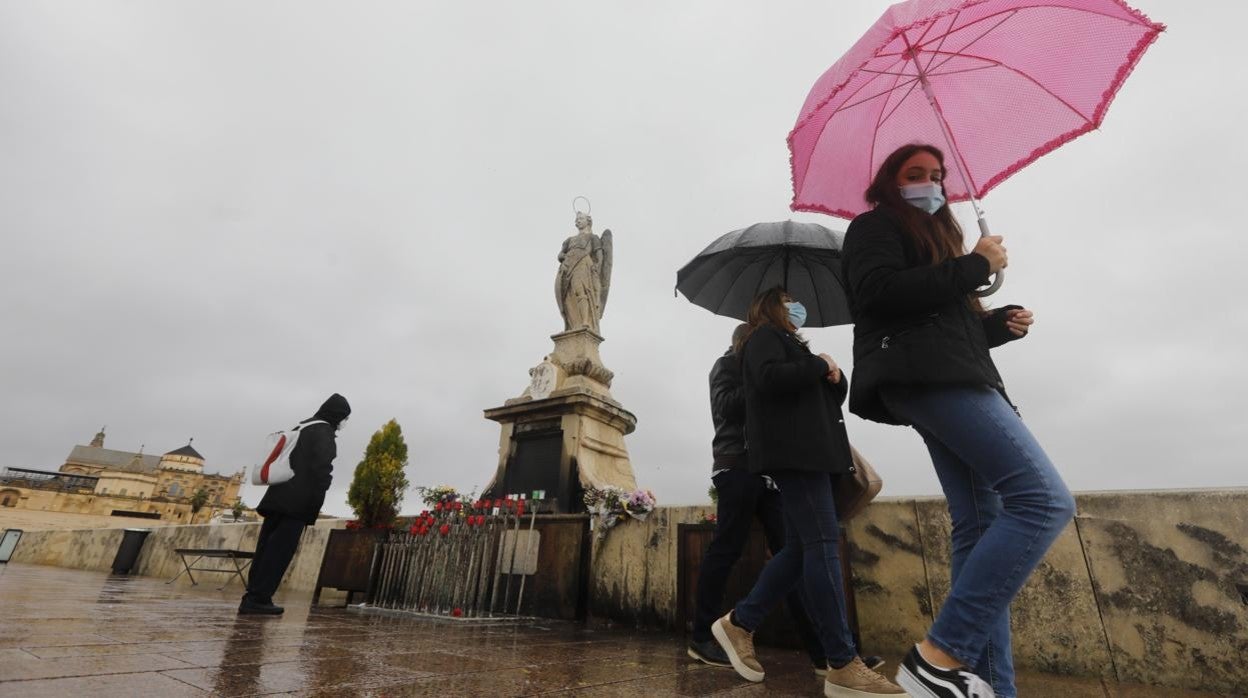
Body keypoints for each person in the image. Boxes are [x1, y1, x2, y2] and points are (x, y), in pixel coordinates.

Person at [841, 143, 1076, 698]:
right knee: (1042, 499)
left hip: (942, 370)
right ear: (889, 183)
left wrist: (996, 323)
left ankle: (991, 687)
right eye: (914, 174)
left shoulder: (938, 237)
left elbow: (942, 320)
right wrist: (976, 265)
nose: (928, 182)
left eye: (936, 175)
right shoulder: (873, 228)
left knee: (980, 521)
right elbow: (879, 296)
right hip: (929, 378)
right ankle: (937, 656)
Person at [711, 288, 903, 697]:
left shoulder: (791, 344)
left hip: (814, 453)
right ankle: (841, 661)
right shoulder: (763, 337)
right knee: (821, 544)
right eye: (787, 299)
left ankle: (740, 622)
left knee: (800, 549)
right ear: (770, 306)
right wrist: (816, 364)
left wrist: (834, 376)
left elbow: (820, 397)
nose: (795, 306)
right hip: (797, 454)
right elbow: (766, 380)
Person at [688, 323, 833, 677]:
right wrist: (762, 379)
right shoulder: (726, 366)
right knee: (726, 549)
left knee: (792, 555)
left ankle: (822, 652)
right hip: (736, 466)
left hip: (770, 473)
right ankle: (701, 637)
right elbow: (726, 406)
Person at [239, 393, 351, 615]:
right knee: (279, 551)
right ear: (337, 416)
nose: (343, 423)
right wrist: (321, 490)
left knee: (265, 549)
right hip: (297, 501)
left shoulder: (305, 425)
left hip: (277, 497)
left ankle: (252, 595)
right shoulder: (324, 432)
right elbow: (321, 467)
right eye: (344, 418)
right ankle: (259, 598)